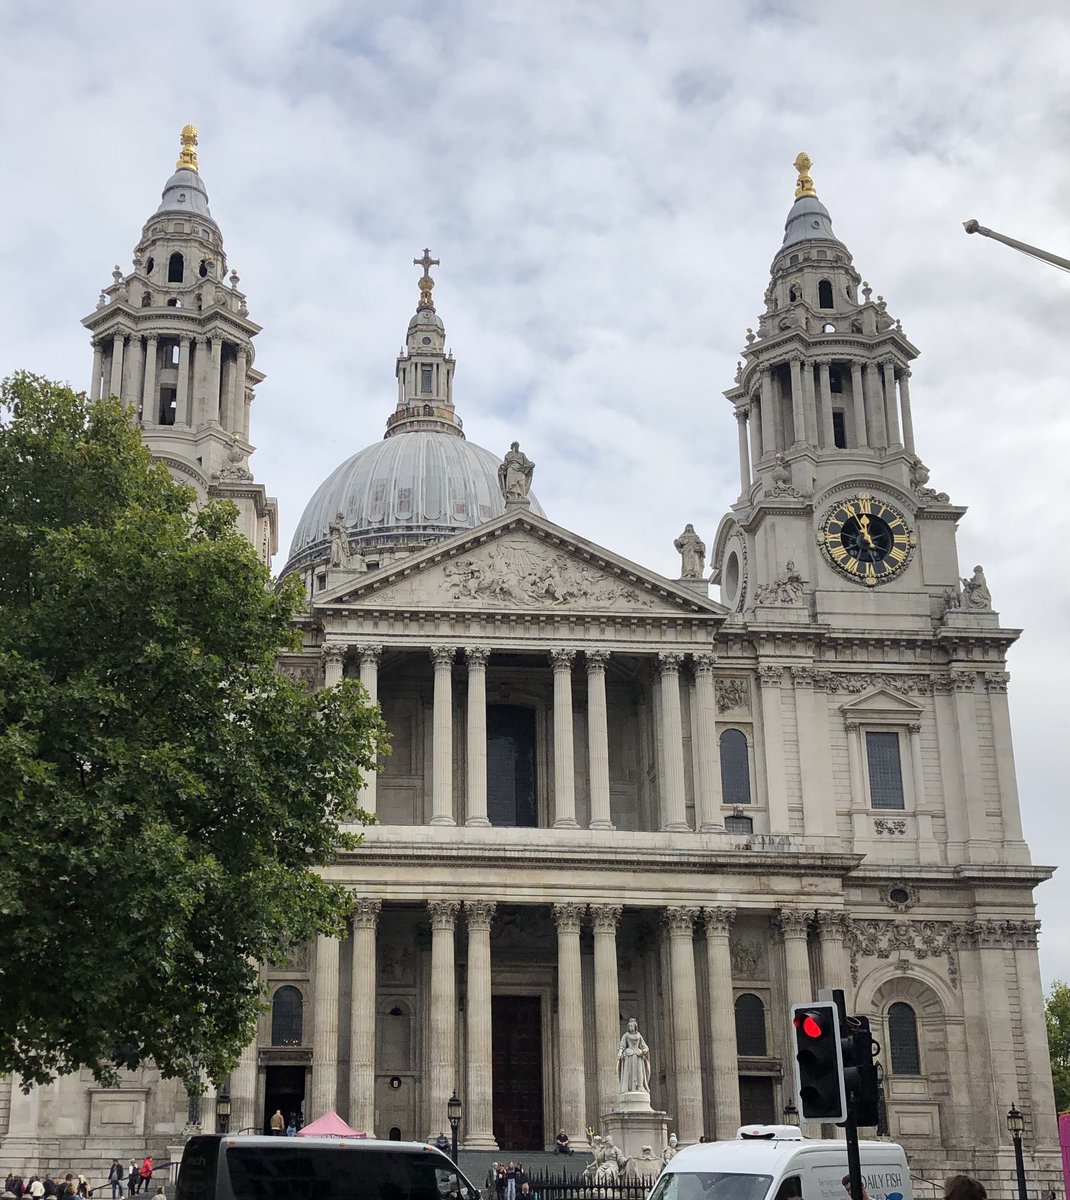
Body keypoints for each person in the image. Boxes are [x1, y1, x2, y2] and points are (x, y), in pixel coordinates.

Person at [618, 1018, 652, 1093]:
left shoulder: (639, 1035)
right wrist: (620, 1052)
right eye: (629, 1026)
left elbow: (644, 1046)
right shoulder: (626, 1035)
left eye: (631, 1026)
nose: (630, 1027)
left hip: (638, 1055)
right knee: (629, 1072)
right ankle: (628, 1088)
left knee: (639, 1072)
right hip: (629, 1054)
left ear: (635, 1026)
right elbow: (622, 1045)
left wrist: (643, 1051)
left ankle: (640, 1086)